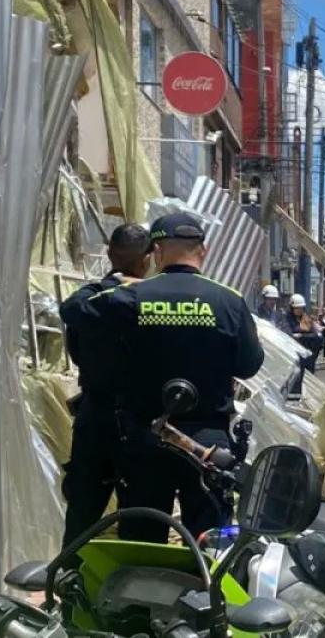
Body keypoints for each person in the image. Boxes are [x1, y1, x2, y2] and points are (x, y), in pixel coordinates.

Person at [73, 213, 265, 543]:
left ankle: (144, 593)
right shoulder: (228, 300)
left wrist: (118, 283)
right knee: (210, 541)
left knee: (142, 537)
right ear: (203, 250)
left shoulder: (133, 296)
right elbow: (249, 365)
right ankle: (206, 594)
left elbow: (73, 308)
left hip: (144, 436)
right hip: (208, 442)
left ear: (157, 252)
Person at [57, 223, 151, 549]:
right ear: (148, 259)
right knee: (138, 517)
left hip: (95, 416)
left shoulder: (91, 299)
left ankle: (69, 587)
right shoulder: (154, 300)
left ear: (111, 254)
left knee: (83, 513)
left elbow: (76, 347)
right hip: (141, 420)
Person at [289, 294, 325, 371]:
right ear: (292, 308)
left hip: (308, 355)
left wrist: (302, 336)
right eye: (297, 308)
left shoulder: (307, 319)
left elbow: (317, 336)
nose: (299, 310)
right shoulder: (287, 319)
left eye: (301, 308)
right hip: (295, 354)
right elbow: (289, 334)